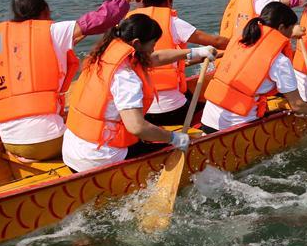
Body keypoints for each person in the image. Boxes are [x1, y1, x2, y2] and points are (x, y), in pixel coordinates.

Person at [0, 0, 144, 161]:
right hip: (48, 142)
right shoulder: (54, 31)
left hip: (9, 141)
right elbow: (103, 18)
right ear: (45, 10)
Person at [62, 14, 216, 172]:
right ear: (136, 43)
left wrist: (195, 52)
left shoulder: (104, 56)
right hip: (99, 159)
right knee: (178, 147)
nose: (154, 49)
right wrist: (174, 138)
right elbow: (137, 127)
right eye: (153, 44)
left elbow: (156, 58)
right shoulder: (126, 77)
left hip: (71, 152)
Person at [200, 2, 307, 133]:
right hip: (235, 129)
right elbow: (297, 105)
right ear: (282, 27)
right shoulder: (280, 61)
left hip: (207, 121)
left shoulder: (241, 40)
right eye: (292, 27)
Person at [128, 0, 226, 126]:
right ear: (169, 1)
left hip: (140, 110)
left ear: (142, 1)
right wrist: (243, 42)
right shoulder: (173, 22)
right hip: (172, 111)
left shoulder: (128, 24)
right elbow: (217, 41)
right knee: (210, 104)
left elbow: (173, 59)